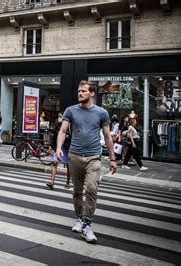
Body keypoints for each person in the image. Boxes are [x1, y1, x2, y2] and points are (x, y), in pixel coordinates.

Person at [56, 80, 117, 244]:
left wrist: (112, 159)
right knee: (77, 191)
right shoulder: (70, 111)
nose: (80, 93)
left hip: (94, 157)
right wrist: (59, 148)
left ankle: (87, 224)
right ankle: (79, 218)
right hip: (75, 157)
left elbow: (107, 136)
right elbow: (62, 131)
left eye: (83, 91)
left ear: (92, 93)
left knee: (91, 189)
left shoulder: (102, 113)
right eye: (78, 91)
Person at [46, 113, 70, 190]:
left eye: (61, 116)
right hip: (59, 147)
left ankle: (68, 182)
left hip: (69, 147)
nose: (59, 118)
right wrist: (50, 146)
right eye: (59, 116)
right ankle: (52, 182)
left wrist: (67, 137)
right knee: (55, 162)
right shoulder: (58, 125)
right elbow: (54, 136)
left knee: (69, 166)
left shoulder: (71, 126)